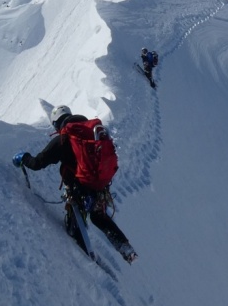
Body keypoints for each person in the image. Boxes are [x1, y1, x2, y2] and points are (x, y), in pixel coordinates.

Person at [13, 105, 137, 263]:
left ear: (57, 124)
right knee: (98, 216)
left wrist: (24, 158)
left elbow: (38, 163)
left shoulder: (63, 140)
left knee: (75, 220)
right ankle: (125, 247)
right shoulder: (93, 133)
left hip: (78, 188)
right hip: (100, 186)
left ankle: (84, 254)